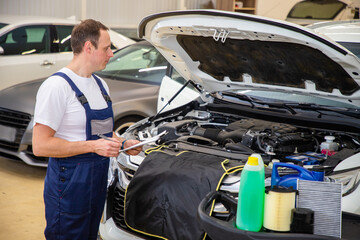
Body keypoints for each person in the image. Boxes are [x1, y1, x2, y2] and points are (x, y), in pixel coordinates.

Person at [32, 19, 142, 240]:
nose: (111, 53)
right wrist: (94, 147)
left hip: (97, 184)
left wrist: (122, 143)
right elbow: (40, 145)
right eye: (107, 48)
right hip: (69, 188)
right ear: (88, 47)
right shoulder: (57, 87)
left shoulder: (101, 86)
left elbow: (101, 134)